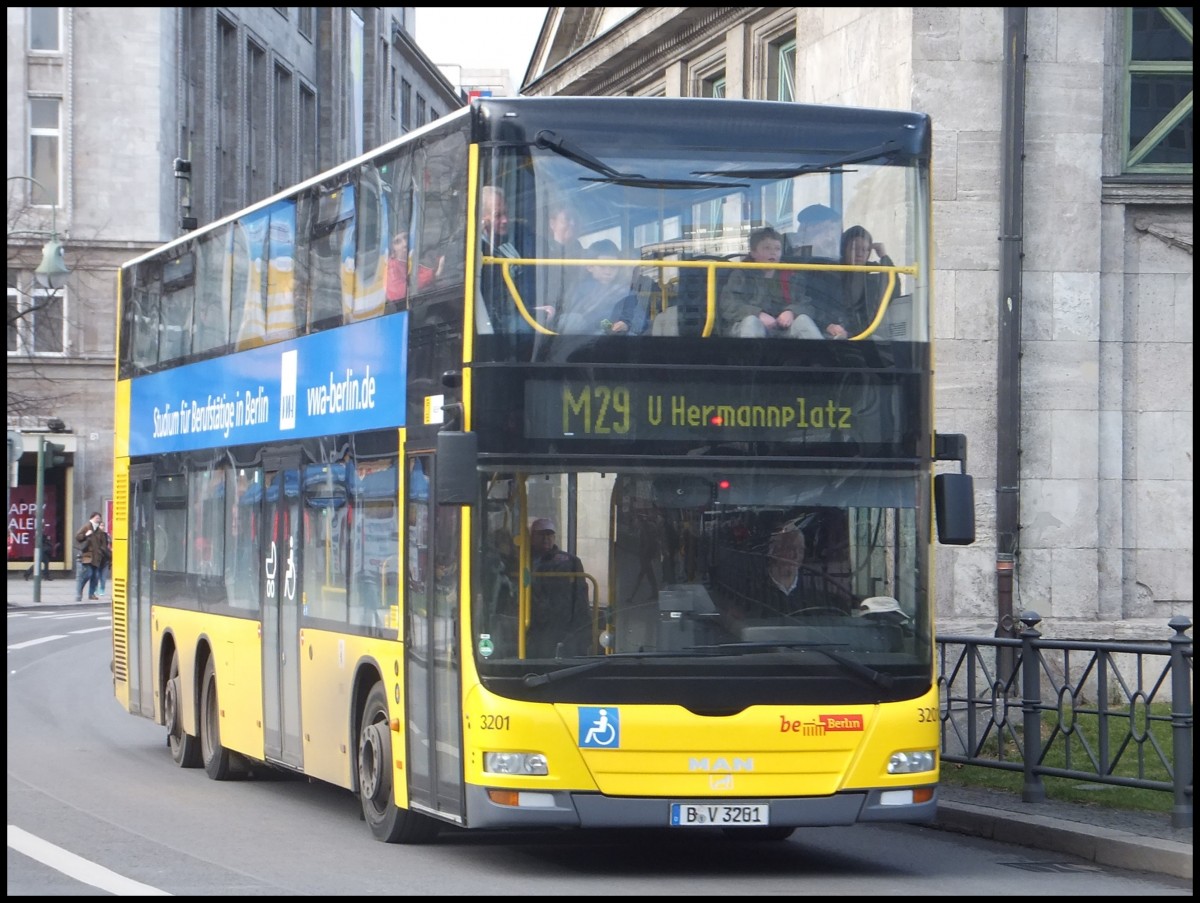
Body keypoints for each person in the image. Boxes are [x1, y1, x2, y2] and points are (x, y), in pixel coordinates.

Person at [718, 227, 819, 338]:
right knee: (751, 322)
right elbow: (728, 304)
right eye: (767, 248)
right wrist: (757, 314)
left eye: (777, 249)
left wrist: (791, 312)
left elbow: (806, 304)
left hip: (783, 328)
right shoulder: (741, 274)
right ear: (753, 252)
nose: (773, 252)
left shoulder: (791, 275)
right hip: (745, 326)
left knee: (803, 320)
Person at [802, 225, 895, 340]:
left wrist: (884, 257)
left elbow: (893, 290)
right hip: (830, 332)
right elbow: (815, 304)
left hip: (862, 333)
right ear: (843, 249)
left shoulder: (873, 273)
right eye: (854, 248)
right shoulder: (829, 272)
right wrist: (827, 325)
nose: (860, 254)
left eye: (865, 249)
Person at [553, 239, 646, 335]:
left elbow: (638, 316)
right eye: (602, 266)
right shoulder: (579, 290)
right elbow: (569, 315)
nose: (608, 272)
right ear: (589, 267)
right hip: (582, 339)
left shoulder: (625, 292)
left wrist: (626, 324)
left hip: (615, 338)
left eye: (613, 267)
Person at [526, 517, 589, 658]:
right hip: (532, 621)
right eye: (541, 534)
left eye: (549, 535)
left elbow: (581, 595)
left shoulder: (570, 561)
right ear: (532, 537)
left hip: (560, 622)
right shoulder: (521, 559)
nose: (545, 539)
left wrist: (581, 627)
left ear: (554, 537)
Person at [74, 511, 105, 602]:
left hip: (96, 557)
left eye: (99, 518)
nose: (98, 520)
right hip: (87, 556)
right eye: (97, 518)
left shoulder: (99, 531)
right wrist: (85, 534)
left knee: (95, 576)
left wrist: (101, 552)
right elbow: (78, 537)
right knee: (88, 574)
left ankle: (91, 594)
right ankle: (79, 591)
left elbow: (103, 543)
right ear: (92, 518)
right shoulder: (87, 526)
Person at [385, 232, 409, 305]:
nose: (405, 244)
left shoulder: (418, 257)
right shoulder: (391, 267)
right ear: (392, 247)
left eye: (406, 238)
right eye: (398, 242)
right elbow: (398, 293)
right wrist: (433, 274)